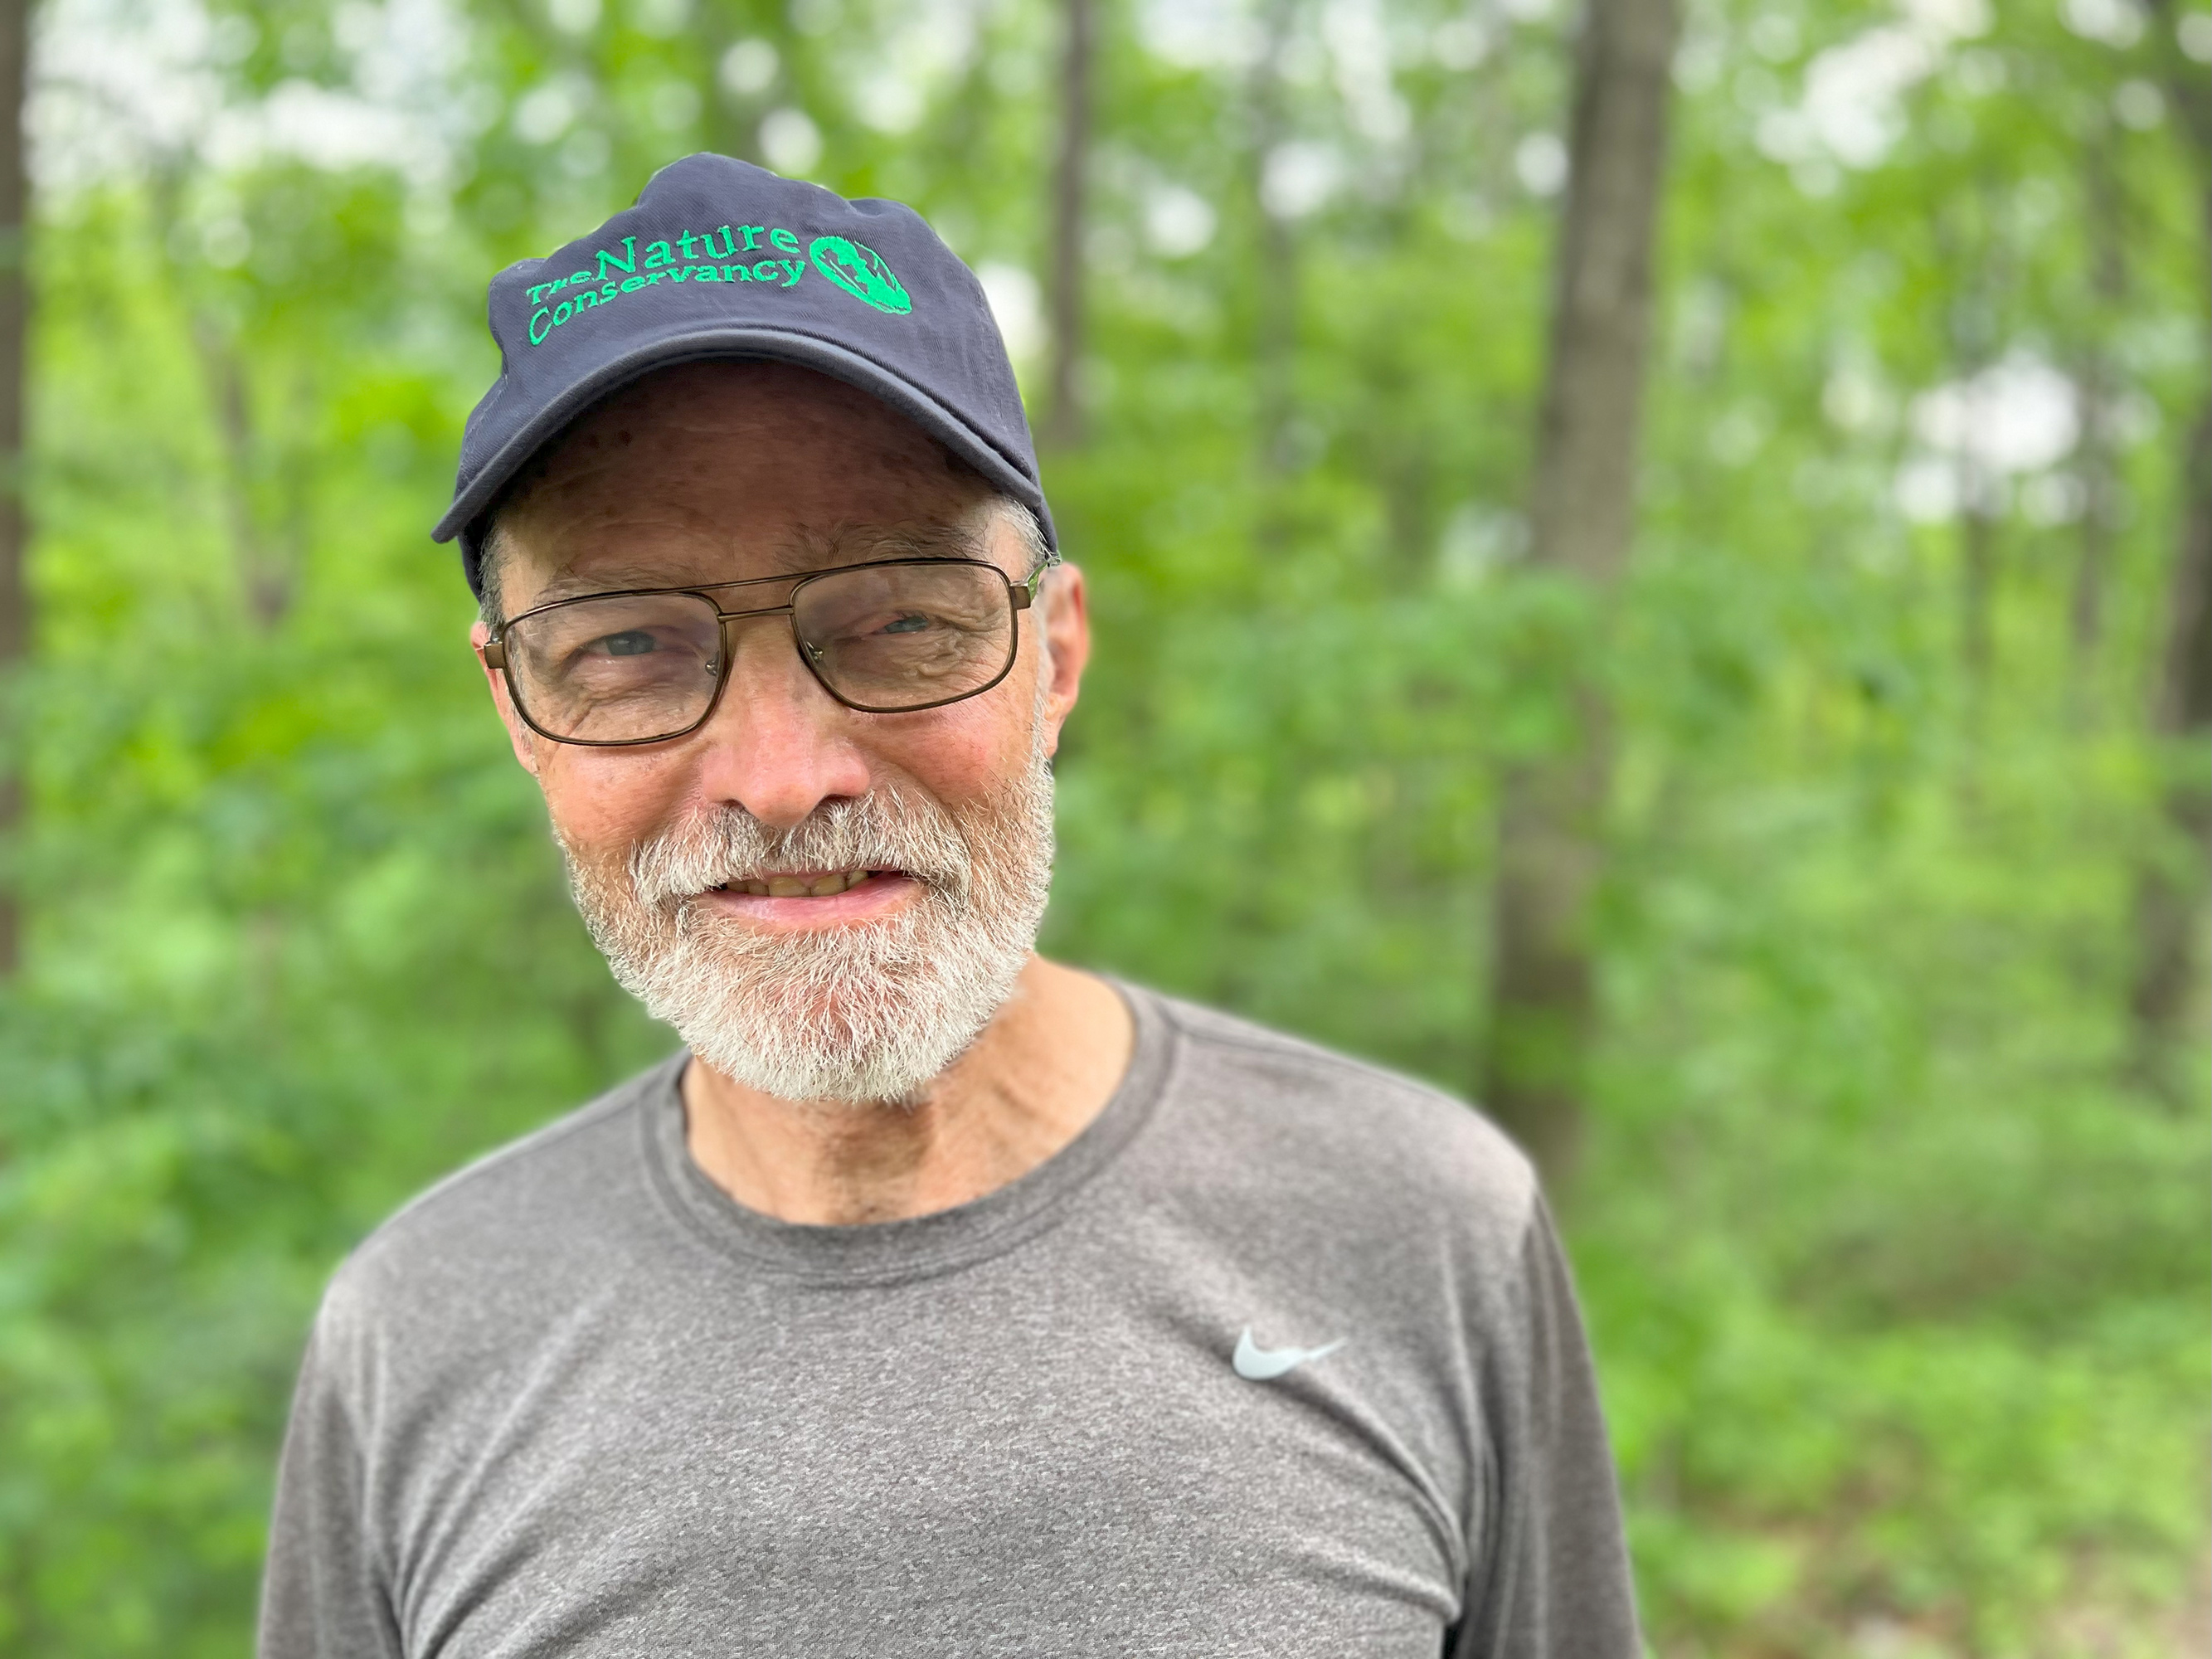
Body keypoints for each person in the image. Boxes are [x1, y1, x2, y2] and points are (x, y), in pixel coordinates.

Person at [258, 153, 1641, 1659]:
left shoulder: (1418, 1226)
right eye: (630, 647)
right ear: (519, 711)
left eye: (905, 618)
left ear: (1053, 656)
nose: (782, 781)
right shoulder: (419, 1333)